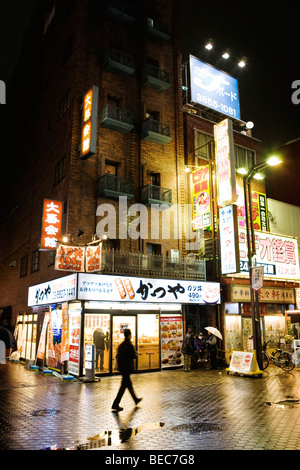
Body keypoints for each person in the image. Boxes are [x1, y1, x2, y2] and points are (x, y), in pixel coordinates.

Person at [111, 329, 142, 412]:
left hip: (123, 368)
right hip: (127, 368)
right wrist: (135, 354)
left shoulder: (121, 345)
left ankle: (135, 399)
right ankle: (115, 404)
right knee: (123, 387)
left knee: (128, 384)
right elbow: (132, 355)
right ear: (129, 335)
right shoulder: (129, 344)